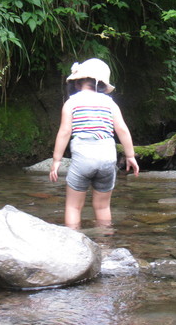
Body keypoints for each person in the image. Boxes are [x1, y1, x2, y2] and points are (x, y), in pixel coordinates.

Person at [49, 58, 139, 229]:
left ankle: (75, 242)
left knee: (73, 206)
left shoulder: (71, 102)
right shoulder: (109, 103)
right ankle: (106, 244)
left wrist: (56, 160)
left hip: (83, 158)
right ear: (103, 85)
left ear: (78, 82)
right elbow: (122, 129)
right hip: (107, 159)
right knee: (103, 206)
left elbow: (65, 132)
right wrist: (130, 156)